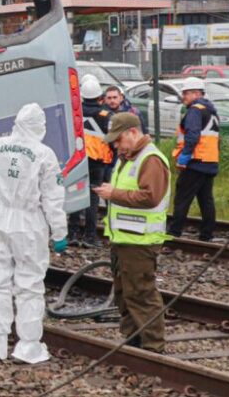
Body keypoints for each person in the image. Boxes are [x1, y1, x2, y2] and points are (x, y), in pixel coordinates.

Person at [0, 103, 67, 364]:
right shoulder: (44, 154)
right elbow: (52, 197)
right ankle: (27, 345)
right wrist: (59, 232)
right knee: (29, 282)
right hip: (27, 222)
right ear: (39, 126)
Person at [93, 113, 170, 353]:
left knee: (141, 293)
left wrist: (113, 194)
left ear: (133, 132)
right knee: (124, 293)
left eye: (119, 139)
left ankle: (153, 346)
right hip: (125, 238)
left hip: (140, 241)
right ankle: (133, 340)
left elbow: (150, 197)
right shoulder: (129, 157)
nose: (116, 145)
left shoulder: (150, 159)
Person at [167, 77, 218, 242]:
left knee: (182, 197)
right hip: (210, 161)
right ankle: (207, 234)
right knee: (206, 199)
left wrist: (184, 158)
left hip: (195, 161)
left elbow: (193, 135)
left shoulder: (195, 110)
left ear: (196, 93)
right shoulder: (211, 110)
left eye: (186, 93)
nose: (184, 97)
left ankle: (174, 232)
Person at [74, 76, 112, 247]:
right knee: (92, 199)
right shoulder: (105, 115)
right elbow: (112, 140)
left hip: (77, 159)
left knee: (75, 194)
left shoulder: (75, 110)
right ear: (100, 97)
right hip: (97, 161)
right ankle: (90, 236)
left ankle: (73, 234)